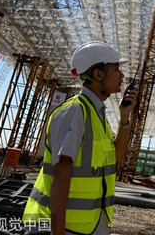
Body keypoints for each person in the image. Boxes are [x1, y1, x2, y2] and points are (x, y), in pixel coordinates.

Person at [23, 41, 138, 235]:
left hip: (86, 226)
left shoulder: (96, 115)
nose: (122, 76)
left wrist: (125, 118)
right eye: (116, 69)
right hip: (61, 228)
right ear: (98, 74)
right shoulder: (75, 112)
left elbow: (116, 157)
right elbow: (60, 172)